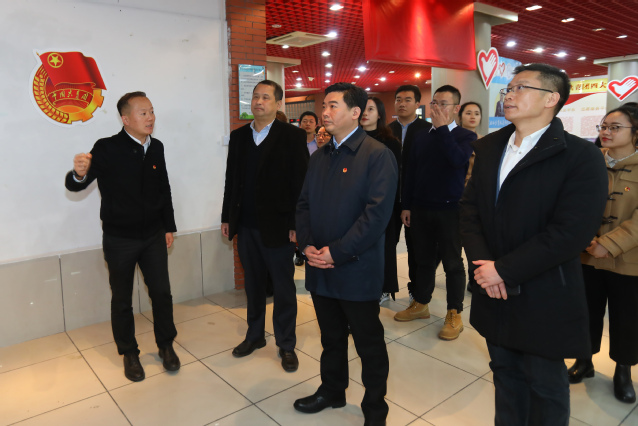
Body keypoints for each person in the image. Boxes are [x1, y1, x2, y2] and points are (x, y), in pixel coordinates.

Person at [460, 63, 608, 425]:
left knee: (545, 385)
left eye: (520, 87)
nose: (508, 95)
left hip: (544, 289)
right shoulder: (490, 148)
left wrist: (503, 270)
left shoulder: (580, 156)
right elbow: (469, 210)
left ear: (551, 99)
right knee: (505, 374)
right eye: (508, 88)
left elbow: (571, 232)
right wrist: (484, 265)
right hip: (492, 286)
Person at [294, 83, 398, 425]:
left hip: (356, 267)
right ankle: (332, 390)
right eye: (324, 105)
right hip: (319, 265)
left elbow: (376, 216)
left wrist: (337, 252)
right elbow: (304, 204)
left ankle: (375, 409)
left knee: (368, 342)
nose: (325, 112)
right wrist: (307, 245)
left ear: (356, 112)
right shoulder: (320, 157)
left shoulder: (377, 155)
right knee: (331, 336)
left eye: (333, 106)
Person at [65, 91, 180, 382]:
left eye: (152, 111)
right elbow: (79, 184)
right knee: (122, 299)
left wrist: (168, 227)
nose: (150, 117)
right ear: (125, 119)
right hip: (120, 239)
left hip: (153, 235)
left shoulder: (156, 147)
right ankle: (129, 352)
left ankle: (166, 345)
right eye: (143, 113)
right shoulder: (106, 148)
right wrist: (78, 173)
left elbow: (164, 188)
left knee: (161, 293)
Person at [221, 80, 309, 372]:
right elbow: (231, 180)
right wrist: (227, 217)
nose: (259, 102)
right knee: (254, 285)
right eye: (255, 96)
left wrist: (296, 224)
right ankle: (255, 335)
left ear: (278, 103)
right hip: (246, 225)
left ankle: (286, 343)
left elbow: (300, 184)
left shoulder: (292, 136)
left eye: (266, 97)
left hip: (279, 226)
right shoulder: (239, 137)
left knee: (283, 288)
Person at [394, 85, 475, 342]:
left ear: (456, 108)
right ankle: (421, 303)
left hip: (451, 209)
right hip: (421, 208)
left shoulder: (465, 136)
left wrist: (442, 130)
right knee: (423, 260)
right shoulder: (420, 136)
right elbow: (410, 172)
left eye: (443, 104)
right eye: (434, 103)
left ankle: (454, 313)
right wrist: (407, 205)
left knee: (452, 263)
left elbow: (456, 160)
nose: (437, 108)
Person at [569, 106, 638, 403]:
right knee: (585, 310)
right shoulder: (589, 161)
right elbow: (572, 201)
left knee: (627, 317)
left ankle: (623, 370)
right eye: (604, 126)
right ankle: (584, 360)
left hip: (628, 259)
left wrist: (608, 244)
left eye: (615, 127)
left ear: (636, 133)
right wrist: (586, 238)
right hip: (586, 253)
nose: (606, 132)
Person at [388, 85, 432, 303]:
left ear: (417, 103)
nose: (402, 104)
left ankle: (417, 291)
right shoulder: (387, 130)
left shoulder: (428, 130)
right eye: (398, 99)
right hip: (389, 198)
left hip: (416, 199)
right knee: (387, 246)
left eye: (407, 99)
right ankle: (385, 287)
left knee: (417, 248)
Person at [361, 96, 402, 304]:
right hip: (357, 202)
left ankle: (384, 288)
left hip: (383, 203)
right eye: (362, 108)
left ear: (379, 114)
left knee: (383, 247)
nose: (365, 113)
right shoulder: (352, 138)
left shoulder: (390, 142)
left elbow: (394, 178)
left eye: (370, 109)